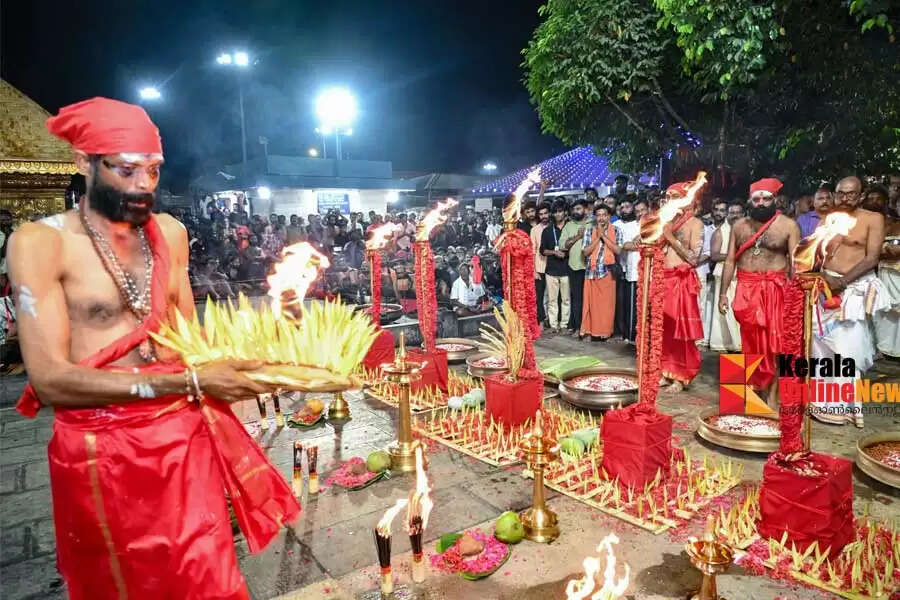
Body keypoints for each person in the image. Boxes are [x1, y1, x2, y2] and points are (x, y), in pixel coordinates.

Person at [7, 97, 298, 599]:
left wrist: (265, 350)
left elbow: (189, 344)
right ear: (84, 162)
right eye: (125, 170)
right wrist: (189, 381)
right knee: (123, 584)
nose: (143, 185)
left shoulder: (170, 233)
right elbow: (50, 380)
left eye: (154, 171)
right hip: (100, 449)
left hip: (182, 439)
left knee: (209, 576)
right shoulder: (40, 242)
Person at [809, 176, 890, 426]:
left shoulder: (873, 219)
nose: (845, 199)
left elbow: (871, 258)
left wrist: (841, 283)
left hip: (852, 289)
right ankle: (821, 404)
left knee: (848, 350)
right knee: (820, 346)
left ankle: (844, 407)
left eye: (851, 194)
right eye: (840, 193)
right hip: (824, 287)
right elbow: (817, 253)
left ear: (861, 195)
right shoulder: (829, 219)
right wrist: (819, 277)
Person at [721, 180, 801, 407]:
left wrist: (797, 295)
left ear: (775, 200)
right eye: (756, 199)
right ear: (750, 201)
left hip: (776, 290)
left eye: (766, 199)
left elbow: (796, 264)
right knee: (749, 343)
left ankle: (773, 397)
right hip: (746, 289)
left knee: (776, 345)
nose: (761, 203)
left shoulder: (788, 226)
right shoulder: (739, 226)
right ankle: (752, 393)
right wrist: (723, 294)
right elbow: (729, 261)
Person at [658, 182, 705, 392]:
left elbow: (694, 259)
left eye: (675, 196)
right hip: (662, 280)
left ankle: (681, 376)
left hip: (681, 281)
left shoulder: (695, 223)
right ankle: (665, 371)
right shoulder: (664, 222)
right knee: (662, 330)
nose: (670, 201)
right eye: (668, 197)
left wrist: (670, 237)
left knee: (681, 333)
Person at [580, 204, 622, 339]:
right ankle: (591, 331)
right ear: (595, 217)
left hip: (607, 272)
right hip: (591, 272)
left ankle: (604, 332)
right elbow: (586, 252)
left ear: (609, 216)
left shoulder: (616, 230)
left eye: (604, 215)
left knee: (606, 306)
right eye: (598, 215)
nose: (601, 218)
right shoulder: (589, 231)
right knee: (591, 305)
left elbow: (618, 250)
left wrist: (604, 236)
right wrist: (598, 237)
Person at [706, 199, 741, 352]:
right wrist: (734, 256)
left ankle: (738, 343)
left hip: (741, 275)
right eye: (732, 213)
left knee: (737, 312)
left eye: (738, 213)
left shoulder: (746, 230)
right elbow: (713, 255)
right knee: (725, 311)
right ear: (728, 214)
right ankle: (726, 343)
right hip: (723, 274)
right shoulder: (720, 232)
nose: (735, 215)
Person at [615, 198, 643, 343]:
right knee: (632, 306)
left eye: (642, 210)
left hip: (651, 273)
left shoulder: (655, 225)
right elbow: (624, 245)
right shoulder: (630, 226)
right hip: (633, 271)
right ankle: (631, 336)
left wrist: (641, 241)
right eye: (637, 211)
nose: (640, 214)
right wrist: (646, 243)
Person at [874, 204, 900, 359]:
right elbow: (873, 248)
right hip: (887, 272)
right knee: (885, 311)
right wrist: (885, 248)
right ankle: (885, 349)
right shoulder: (887, 223)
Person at [560, 198, 589, 336]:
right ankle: (578, 328)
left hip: (592, 268)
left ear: (586, 209)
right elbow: (563, 246)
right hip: (575, 267)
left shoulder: (593, 224)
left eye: (579, 209)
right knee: (577, 299)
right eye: (574, 209)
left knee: (591, 300)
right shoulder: (569, 226)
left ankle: (590, 328)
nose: (576, 211)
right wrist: (578, 236)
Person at [541, 200, 571, 333]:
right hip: (551, 270)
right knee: (552, 300)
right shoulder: (547, 231)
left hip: (567, 269)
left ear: (565, 212)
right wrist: (554, 252)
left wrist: (565, 252)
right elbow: (542, 250)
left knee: (566, 299)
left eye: (560, 211)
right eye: (555, 212)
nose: (558, 214)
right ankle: (553, 325)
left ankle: (564, 325)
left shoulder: (570, 228)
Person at [531, 204, 550, 325]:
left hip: (554, 267)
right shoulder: (535, 230)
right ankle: (541, 320)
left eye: (545, 213)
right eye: (541, 214)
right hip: (539, 267)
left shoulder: (554, 227)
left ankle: (551, 320)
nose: (543, 216)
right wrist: (534, 270)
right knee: (539, 296)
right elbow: (532, 251)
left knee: (553, 296)